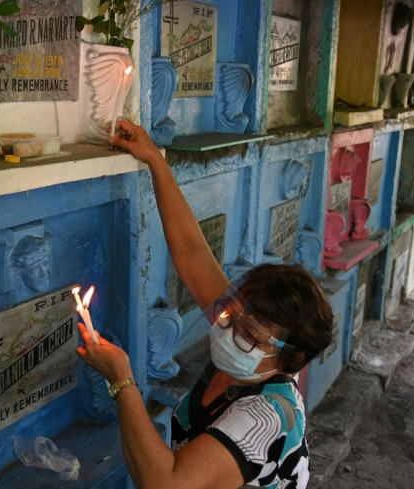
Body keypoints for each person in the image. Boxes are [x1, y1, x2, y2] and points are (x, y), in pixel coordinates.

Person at [76, 120, 334, 489]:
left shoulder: (264, 416)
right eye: (231, 312)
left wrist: (122, 379)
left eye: (247, 334)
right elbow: (192, 251)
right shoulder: (247, 338)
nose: (227, 328)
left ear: (289, 360)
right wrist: (155, 160)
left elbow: (164, 484)